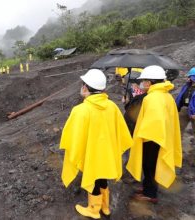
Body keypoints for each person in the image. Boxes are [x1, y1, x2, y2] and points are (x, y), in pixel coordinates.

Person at [60, 69, 133, 219]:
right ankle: (105, 207)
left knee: (93, 177)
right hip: (107, 153)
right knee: (103, 176)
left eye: (82, 85)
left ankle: (93, 210)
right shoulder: (112, 106)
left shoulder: (80, 110)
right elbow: (121, 131)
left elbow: (73, 136)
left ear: (85, 87)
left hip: (91, 153)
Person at [127, 65, 182, 203]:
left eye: (144, 80)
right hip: (161, 137)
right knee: (151, 165)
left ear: (149, 82)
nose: (143, 83)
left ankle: (150, 194)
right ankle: (147, 186)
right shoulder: (166, 95)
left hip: (152, 138)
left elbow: (154, 122)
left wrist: (143, 138)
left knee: (149, 165)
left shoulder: (152, 98)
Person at [121, 71, 147, 184]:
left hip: (132, 127)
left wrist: (127, 103)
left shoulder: (137, 95)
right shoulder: (144, 95)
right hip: (137, 127)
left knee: (130, 151)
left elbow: (132, 113)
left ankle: (131, 174)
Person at [175, 67, 195, 139]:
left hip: (194, 111)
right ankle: (177, 147)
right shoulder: (187, 86)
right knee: (179, 129)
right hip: (184, 109)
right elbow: (181, 96)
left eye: (190, 76)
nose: (188, 78)